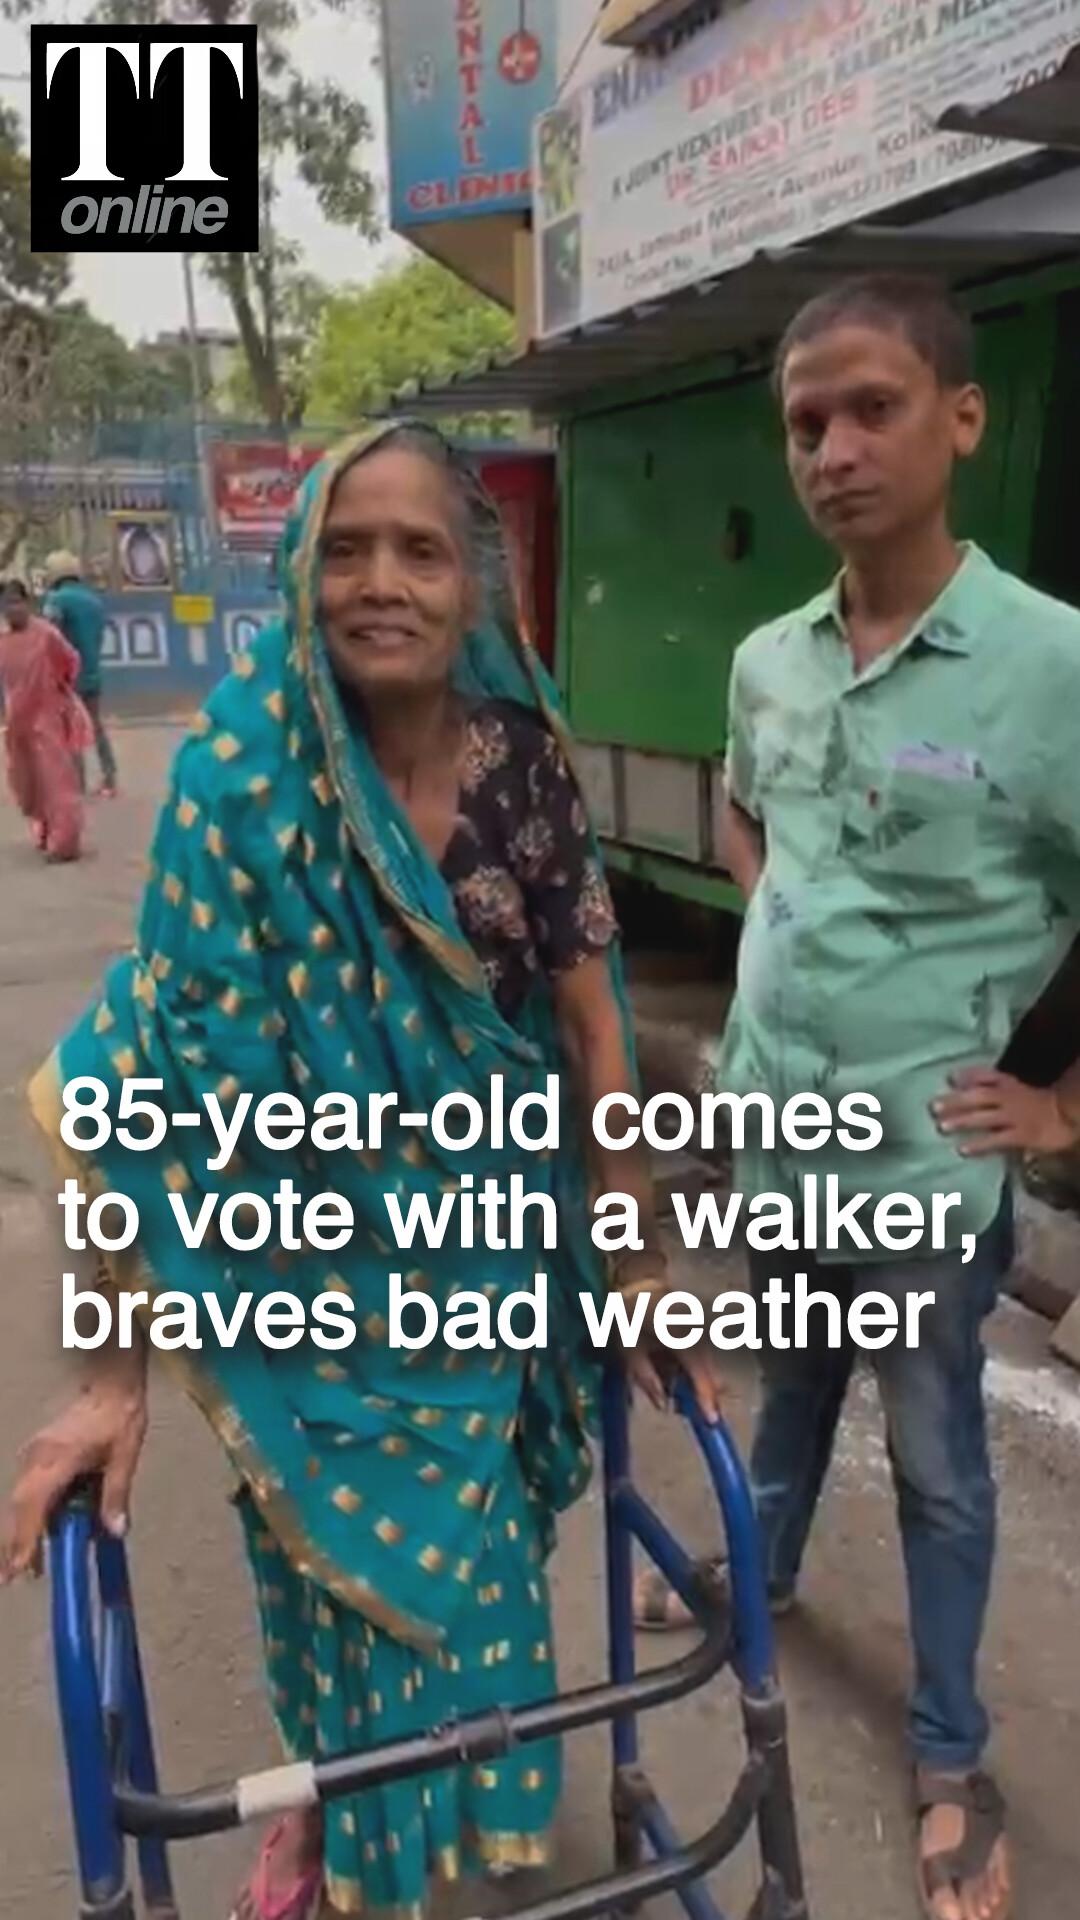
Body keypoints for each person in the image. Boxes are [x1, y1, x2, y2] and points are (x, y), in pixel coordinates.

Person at [1, 424, 715, 1920]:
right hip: (301, 1282)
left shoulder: (525, 765)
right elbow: (139, 1074)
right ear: (298, 570)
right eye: (344, 548)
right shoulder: (237, 784)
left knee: (479, 1588)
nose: (379, 582)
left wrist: (637, 1263)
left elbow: (592, 1041)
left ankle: (462, 1823)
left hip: (490, 1269)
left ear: (474, 586)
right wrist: (112, 1372)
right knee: (335, 1594)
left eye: (420, 550)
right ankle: (337, 1824)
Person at [635, 274, 1080, 1920]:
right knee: (789, 1390)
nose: (832, 447)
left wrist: (1056, 1108)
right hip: (781, 1132)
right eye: (805, 421)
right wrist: (789, 948)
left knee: (947, 1465)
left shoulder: (1050, 666)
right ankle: (752, 1590)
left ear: (961, 419)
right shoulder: (771, 661)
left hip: (924, 1170)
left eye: (872, 407)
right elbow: (755, 820)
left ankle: (952, 1752)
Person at [0, 577, 90, 862]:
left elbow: (71, 661)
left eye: (17, 602)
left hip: (47, 717)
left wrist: (60, 689)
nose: (13, 609)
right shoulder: (3, 641)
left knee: (56, 780)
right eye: (6, 604)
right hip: (18, 721)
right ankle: (45, 829)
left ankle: (65, 842)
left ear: (28, 604)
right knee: (29, 784)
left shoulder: (46, 635)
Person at [43, 549, 117, 798]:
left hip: (66, 676)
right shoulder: (93, 601)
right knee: (95, 725)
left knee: (69, 728)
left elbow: (50, 636)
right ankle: (110, 778)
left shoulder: (56, 600)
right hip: (92, 672)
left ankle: (77, 782)